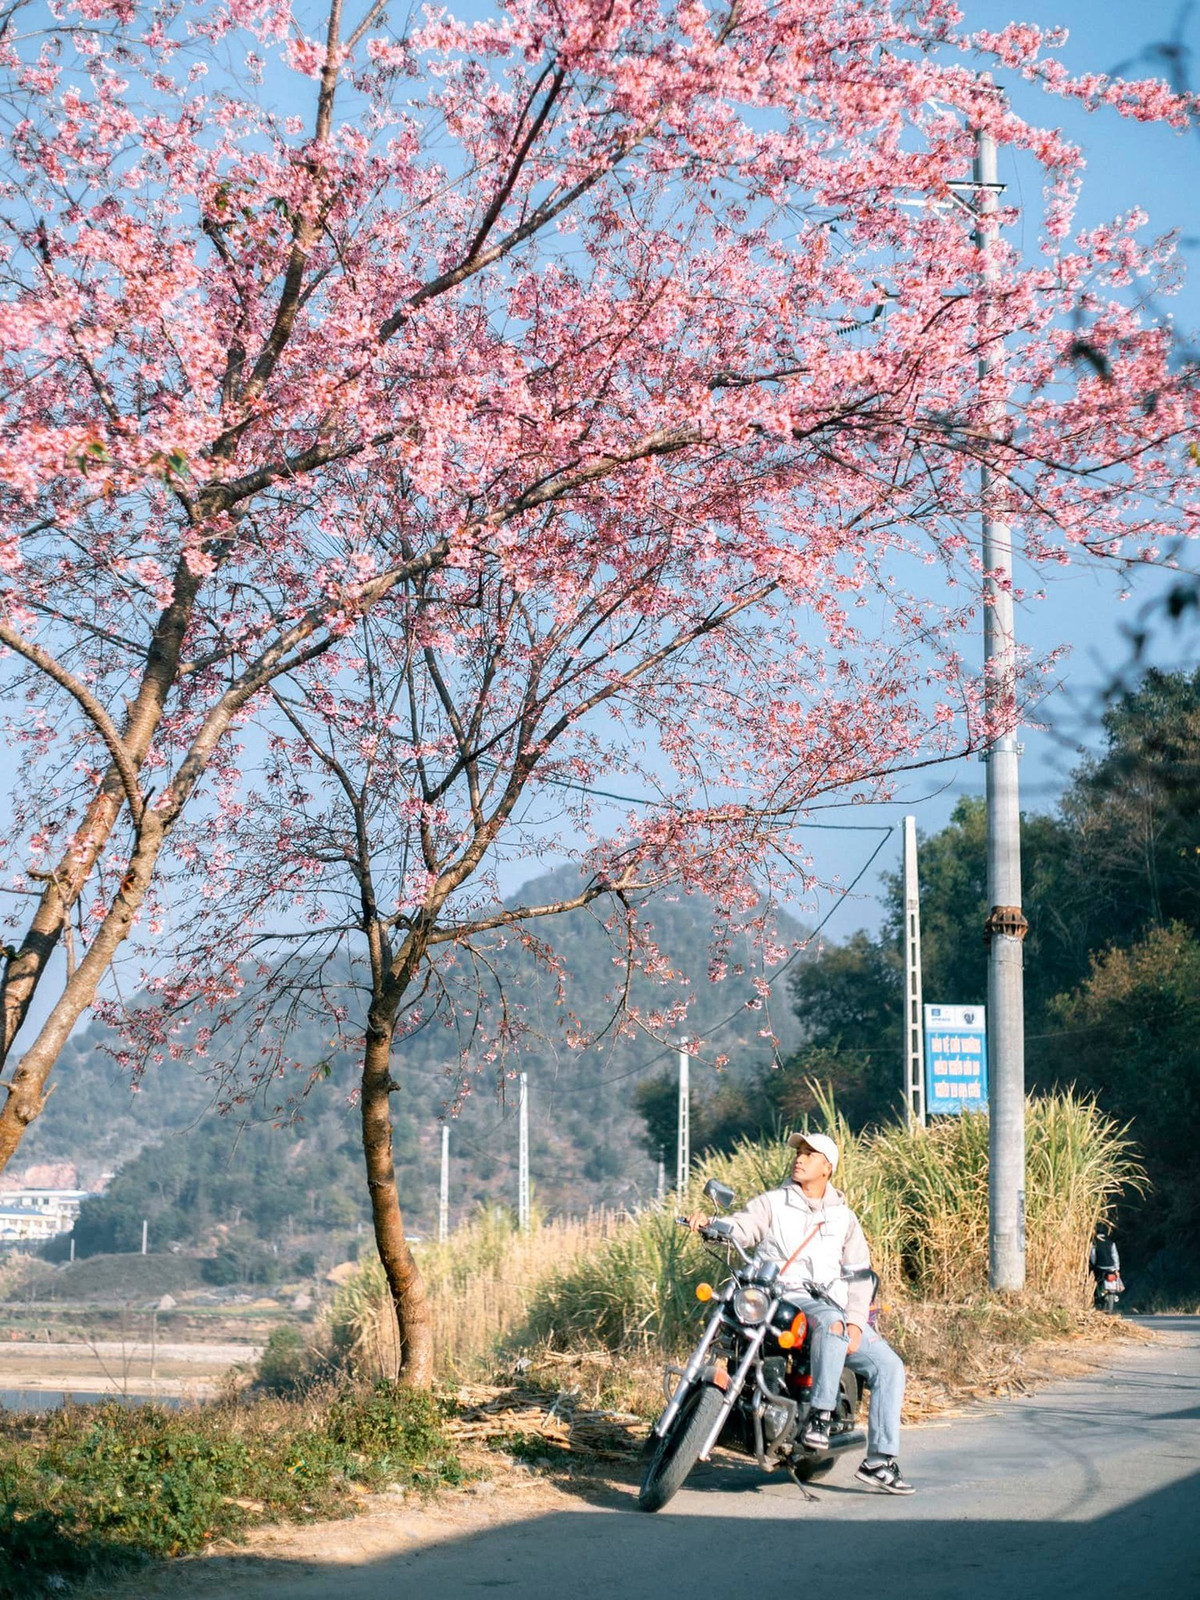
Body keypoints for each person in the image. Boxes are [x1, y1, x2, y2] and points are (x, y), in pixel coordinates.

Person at [686, 1130, 913, 1495]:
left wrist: (857, 1322)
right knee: (831, 1323)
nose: (800, 1157)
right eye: (799, 1151)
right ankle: (819, 1419)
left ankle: (879, 1462)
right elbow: (744, 1227)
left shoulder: (844, 1219)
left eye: (810, 1153)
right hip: (784, 1297)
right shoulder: (774, 1202)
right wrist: (713, 1225)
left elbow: (859, 1277)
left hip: (834, 1306)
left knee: (889, 1366)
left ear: (827, 1167)